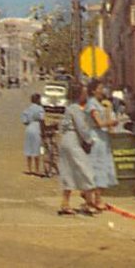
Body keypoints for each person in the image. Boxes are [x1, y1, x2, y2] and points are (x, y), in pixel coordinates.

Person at [57, 84, 97, 215]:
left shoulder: (68, 108)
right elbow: (82, 128)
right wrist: (89, 141)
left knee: (68, 171)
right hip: (74, 139)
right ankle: (89, 202)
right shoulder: (76, 109)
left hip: (65, 140)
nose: (86, 95)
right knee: (86, 170)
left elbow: (62, 126)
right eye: (84, 93)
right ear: (79, 95)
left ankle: (65, 203)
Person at [85, 79, 118, 211]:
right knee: (97, 168)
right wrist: (112, 122)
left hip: (102, 139)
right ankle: (94, 200)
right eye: (100, 88)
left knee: (102, 168)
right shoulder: (92, 104)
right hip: (96, 139)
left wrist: (109, 109)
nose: (102, 90)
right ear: (94, 90)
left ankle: (96, 198)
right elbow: (98, 122)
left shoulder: (99, 104)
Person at [21, 93, 45, 176]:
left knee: (28, 148)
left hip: (28, 128)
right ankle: (37, 169)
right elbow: (42, 120)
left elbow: (25, 121)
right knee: (36, 149)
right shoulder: (40, 109)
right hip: (36, 128)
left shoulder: (27, 109)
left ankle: (29, 168)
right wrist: (43, 131)